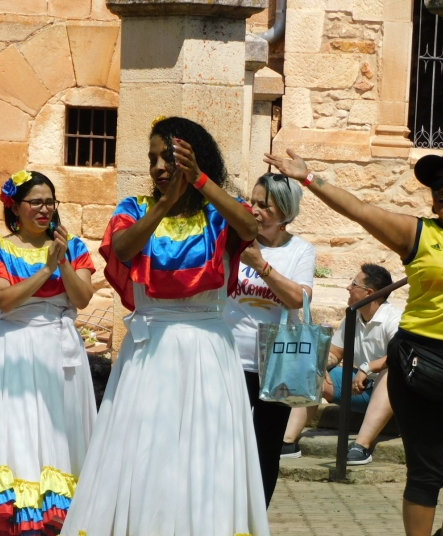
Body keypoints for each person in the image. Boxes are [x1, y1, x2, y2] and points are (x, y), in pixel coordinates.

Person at [61, 116, 269, 536]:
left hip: (208, 350)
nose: (157, 166)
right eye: (152, 158)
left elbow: (251, 227)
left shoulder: (218, 213)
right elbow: (122, 248)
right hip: (150, 349)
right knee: (146, 446)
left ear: (192, 159)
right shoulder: (135, 208)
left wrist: (202, 183)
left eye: (167, 157)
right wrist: (165, 204)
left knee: (204, 447)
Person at [264, 149, 443, 536]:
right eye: (436, 183)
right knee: (427, 472)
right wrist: (308, 179)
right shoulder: (418, 233)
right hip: (421, 363)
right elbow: (359, 209)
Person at [0, 170, 97, 535]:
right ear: (14, 207)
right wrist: (47, 268)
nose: (44, 209)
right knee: (16, 432)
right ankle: (21, 517)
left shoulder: (73, 246)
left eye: (50, 202)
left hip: (60, 348)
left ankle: (57, 517)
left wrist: (62, 260)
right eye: (35, 202)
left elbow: (81, 298)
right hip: (13, 348)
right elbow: (3, 297)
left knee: (60, 431)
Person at [223, 172, 315, 506]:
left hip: (275, 365)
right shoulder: (236, 241)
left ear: (285, 213)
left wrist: (261, 266)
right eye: (253, 201)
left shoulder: (301, 251)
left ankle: (255, 518)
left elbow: (297, 299)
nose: (255, 210)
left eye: (266, 205)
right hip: (229, 357)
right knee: (224, 442)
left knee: (266, 448)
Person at [281, 264, 401, 465]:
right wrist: (322, 365)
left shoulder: (394, 319)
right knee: (314, 368)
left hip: (393, 397)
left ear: (369, 293)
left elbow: (400, 356)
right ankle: (287, 442)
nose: (347, 287)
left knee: (391, 372)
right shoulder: (352, 316)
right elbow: (336, 353)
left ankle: (361, 446)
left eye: (353, 284)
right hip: (359, 389)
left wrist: (368, 367)